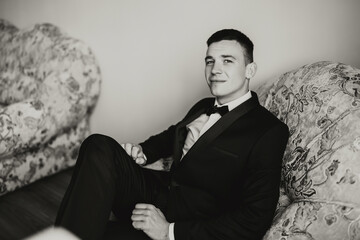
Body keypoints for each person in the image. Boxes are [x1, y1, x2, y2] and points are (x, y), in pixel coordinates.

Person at [55, 29, 289, 240]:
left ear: (250, 69)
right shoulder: (203, 105)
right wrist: (144, 152)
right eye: (210, 61)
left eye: (227, 61)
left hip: (187, 223)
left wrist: (168, 231)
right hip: (155, 193)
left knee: (92, 231)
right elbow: (171, 135)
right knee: (98, 145)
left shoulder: (268, 131)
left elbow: (254, 219)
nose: (215, 70)